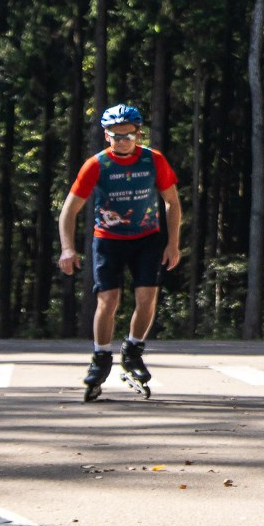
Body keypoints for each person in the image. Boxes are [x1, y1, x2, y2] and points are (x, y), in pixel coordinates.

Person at [57, 104, 183, 398]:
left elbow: (172, 203)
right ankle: (101, 358)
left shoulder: (154, 161)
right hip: (109, 239)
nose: (123, 141)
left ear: (138, 134)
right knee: (108, 299)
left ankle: (132, 351)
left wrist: (173, 243)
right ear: (106, 136)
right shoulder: (97, 165)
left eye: (128, 135)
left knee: (147, 296)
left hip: (147, 238)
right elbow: (69, 210)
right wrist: (67, 249)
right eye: (116, 136)